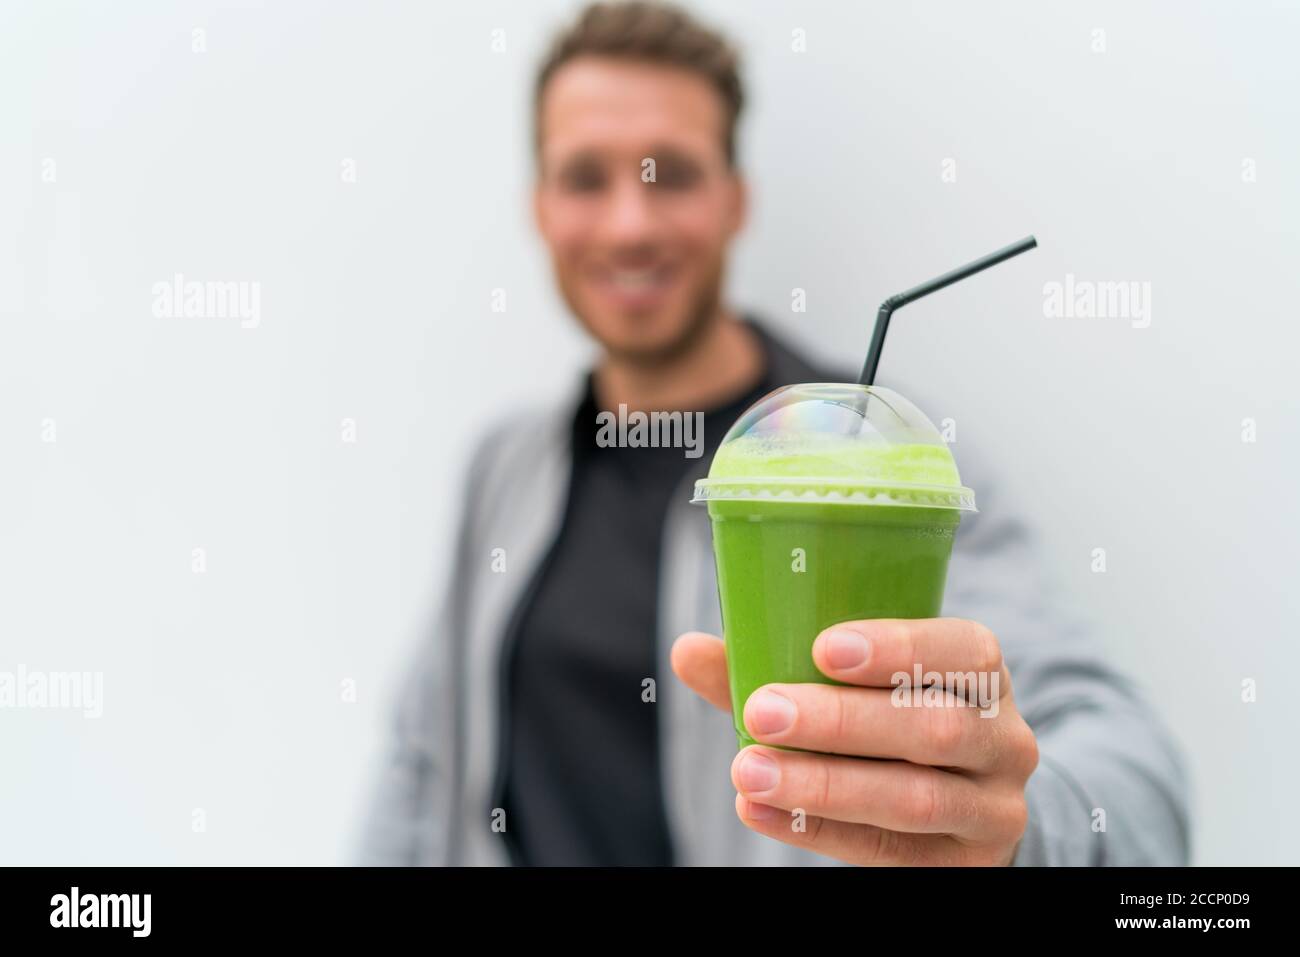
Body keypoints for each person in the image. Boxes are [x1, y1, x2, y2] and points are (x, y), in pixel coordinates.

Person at [358, 0, 1189, 866]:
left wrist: (1009, 828)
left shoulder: (877, 470)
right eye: (585, 177)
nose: (629, 224)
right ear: (540, 208)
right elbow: (420, 769)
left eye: (669, 175)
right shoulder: (505, 469)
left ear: (733, 201)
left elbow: (1132, 777)